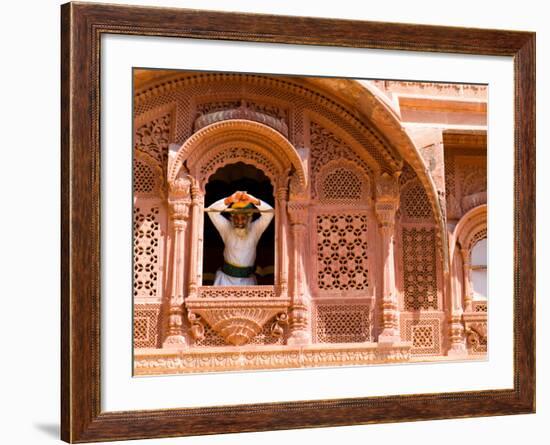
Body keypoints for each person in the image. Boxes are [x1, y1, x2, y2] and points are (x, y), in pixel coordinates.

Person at [207, 191, 274, 286]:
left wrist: (254, 201)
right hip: (225, 281)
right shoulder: (226, 228)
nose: (240, 222)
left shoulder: (255, 229)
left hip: (248, 282)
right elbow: (212, 211)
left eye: (243, 218)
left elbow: (270, 213)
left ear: (249, 219)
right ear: (232, 218)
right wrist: (229, 200)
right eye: (236, 218)